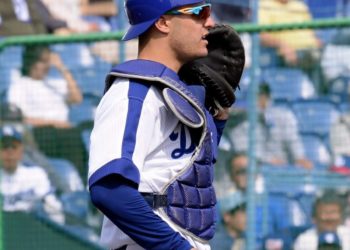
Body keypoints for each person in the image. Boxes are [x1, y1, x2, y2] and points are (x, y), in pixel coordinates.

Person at [88, 0, 245, 249]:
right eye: (199, 12)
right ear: (162, 22)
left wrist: (218, 119)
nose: (210, 23)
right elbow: (109, 190)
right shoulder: (132, 93)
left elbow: (190, 175)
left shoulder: (179, 94)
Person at [7, 45, 88, 180]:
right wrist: (55, 123)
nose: (46, 66)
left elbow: (77, 99)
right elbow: (19, 118)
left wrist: (62, 68)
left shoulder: (55, 83)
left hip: (66, 131)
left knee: (85, 134)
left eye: (48, 61)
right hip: (41, 133)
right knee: (71, 138)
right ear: (31, 62)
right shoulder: (19, 86)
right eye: (42, 61)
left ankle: (87, 186)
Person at [229, 83, 314, 169]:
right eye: (251, 96)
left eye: (261, 95)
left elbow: (296, 150)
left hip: (282, 170)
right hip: (254, 171)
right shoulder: (239, 120)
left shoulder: (284, 116)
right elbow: (243, 153)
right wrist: (269, 160)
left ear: (267, 97)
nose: (257, 100)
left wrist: (299, 159)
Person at [0, 124, 64, 223]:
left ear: (21, 150)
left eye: (14, 147)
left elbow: (55, 213)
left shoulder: (36, 176)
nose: (10, 152)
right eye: (5, 147)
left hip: (30, 231)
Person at [258, 0, 322, 68]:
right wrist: (282, 45)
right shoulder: (264, 5)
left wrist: (318, 42)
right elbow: (261, 35)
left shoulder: (300, 6)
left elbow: (311, 32)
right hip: (288, 54)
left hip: (312, 49)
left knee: (329, 54)